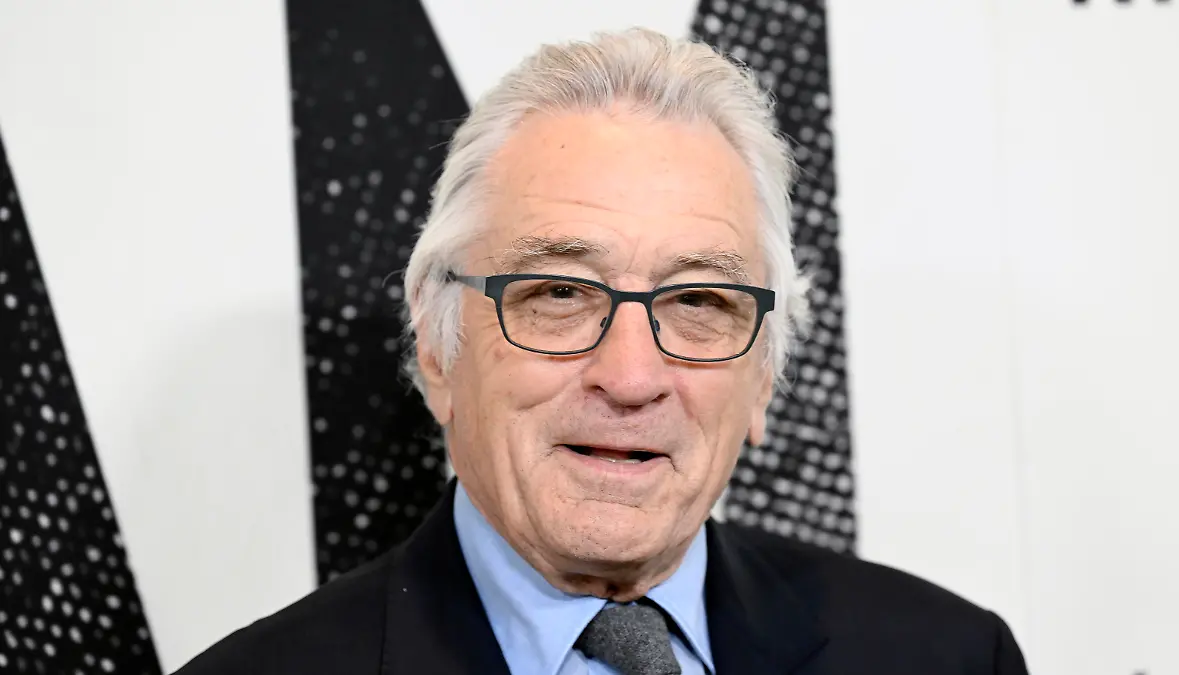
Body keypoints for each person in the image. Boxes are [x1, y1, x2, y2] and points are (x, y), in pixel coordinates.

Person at [175, 27, 1028, 675]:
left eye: (699, 301)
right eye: (559, 293)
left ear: (763, 372)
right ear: (438, 346)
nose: (630, 378)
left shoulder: (950, 656)